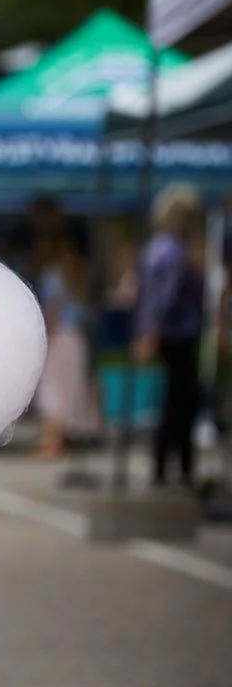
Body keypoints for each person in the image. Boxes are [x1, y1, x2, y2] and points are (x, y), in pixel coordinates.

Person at [134, 183, 205, 487]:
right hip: (177, 334)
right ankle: (171, 468)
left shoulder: (164, 249)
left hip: (178, 332)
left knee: (181, 401)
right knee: (180, 402)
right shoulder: (169, 251)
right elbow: (163, 296)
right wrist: (151, 330)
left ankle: (173, 467)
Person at [33, 220, 100, 457]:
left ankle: (52, 439)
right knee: (71, 388)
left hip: (60, 335)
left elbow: (53, 308)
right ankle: (64, 436)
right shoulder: (79, 272)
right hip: (77, 337)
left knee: (51, 388)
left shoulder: (53, 273)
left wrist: (45, 339)